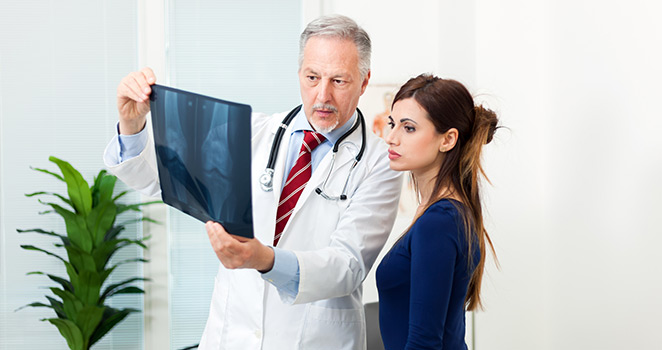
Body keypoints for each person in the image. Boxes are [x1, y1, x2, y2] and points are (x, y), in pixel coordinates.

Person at [103, 15, 402, 350]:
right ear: (300, 73)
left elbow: (347, 266)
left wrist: (264, 259)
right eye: (312, 77)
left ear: (364, 82)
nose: (322, 95)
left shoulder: (380, 162)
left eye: (339, 81)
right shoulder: (251, 132)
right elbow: (161, 181)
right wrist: (131, 125)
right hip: (231, 336)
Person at [376, 74, 498, 349]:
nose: (391, 138)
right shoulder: (447, 213)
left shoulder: (439, 221)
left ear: (448, 139)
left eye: (408, 128)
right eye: (392, 124)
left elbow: (424, 343)